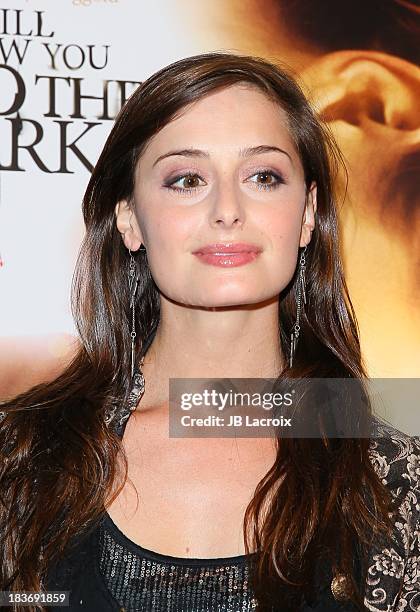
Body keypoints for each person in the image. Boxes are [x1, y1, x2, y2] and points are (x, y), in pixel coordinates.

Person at [0, 51, 418, 612]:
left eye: (263, 176)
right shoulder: (18, 456)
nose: (227, 209)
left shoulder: (397, 482)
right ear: (128, 217)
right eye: (187, 179)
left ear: (307, 214)